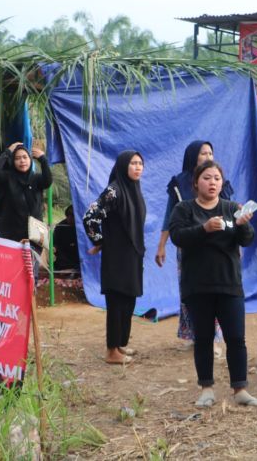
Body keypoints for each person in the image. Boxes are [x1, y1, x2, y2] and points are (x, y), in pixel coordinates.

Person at [168, 160, 257, 408]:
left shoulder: (232, 207)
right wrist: (204, 229)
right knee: (203, 338)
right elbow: (178, 237)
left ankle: (240, 389)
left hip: (229, 283)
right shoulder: (184, 209)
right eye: (207, 178)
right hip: (197, 285)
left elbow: (247, 239)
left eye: (217, 179)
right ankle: (206, 388)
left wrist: (242, 226)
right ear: (196, 183)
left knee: (236, 338)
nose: (212, 183)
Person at [155, 140, 230, 351]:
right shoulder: (179, 184)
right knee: (191, 292)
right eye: (203, 153)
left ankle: (214, 339)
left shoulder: (219, 181)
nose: (208, 157)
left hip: (217, 248)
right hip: (188, 247)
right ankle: (196, 335)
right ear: (192, 157)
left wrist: (236, 245)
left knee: (215, 291)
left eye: (210, 153)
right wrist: (161, 246)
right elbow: (169, 217)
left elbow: (230, 216)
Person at [83, 151, 146, 365]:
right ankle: (111, 351)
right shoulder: (114, 191)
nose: (137, 167)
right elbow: (90, 217)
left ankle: (120, 344)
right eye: (133, 163)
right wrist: (101, 241)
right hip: (117, 256)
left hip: (132, 254)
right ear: (122, 166)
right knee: (117, 301)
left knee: (128, 299)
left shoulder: (133, 189)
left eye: (140, 163)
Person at [0, 143, 52, 246]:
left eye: (25, 157)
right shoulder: (7, 178)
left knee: (33, 261)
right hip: (12, 232)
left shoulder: (37, 179)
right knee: (13, 260)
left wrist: (43, 159)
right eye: (17, 158)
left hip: (35, 232)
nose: (22, 161)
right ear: (13, 161)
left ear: (30, 160)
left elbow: (48, 181)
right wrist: (7, 152)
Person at [53, 205, 80, 271]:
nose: (71, 218)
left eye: (73, 216)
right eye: (69, 215)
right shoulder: (60, 226)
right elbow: (55, 244)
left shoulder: (81, 226)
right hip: (64, 256)